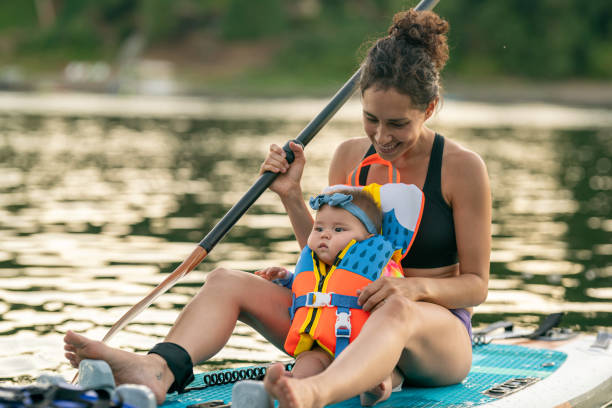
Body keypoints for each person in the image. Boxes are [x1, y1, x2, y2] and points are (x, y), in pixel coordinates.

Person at [64, 8, 491, 408]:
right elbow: (326, 247)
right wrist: (291, 195)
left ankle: (311, 392)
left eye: (398, 123)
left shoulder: (461, 168)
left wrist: (410, 289)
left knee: (397, 309)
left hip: (431, 334)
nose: (381, 136)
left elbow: (475, 284)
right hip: (341, 319)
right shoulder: (349, 158)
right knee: (226, 281)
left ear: (429, 108)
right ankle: (157, 369)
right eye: (371, 119)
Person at [254, 187, 405, 405]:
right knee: (308, 359)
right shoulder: (314, 264)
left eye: (338, 229)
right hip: (322, 346)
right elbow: (313, 290)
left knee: (384, 367)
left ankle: (376, 389)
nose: (325, 234)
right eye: (319, 227)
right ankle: (293, 386)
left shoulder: (379, 267)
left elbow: (398, 302)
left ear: (367, 239)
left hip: (364, 348)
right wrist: (286, 278)